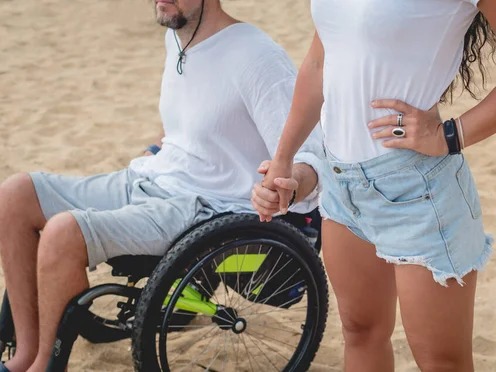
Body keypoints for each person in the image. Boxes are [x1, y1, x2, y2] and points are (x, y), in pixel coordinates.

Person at [0, 0, 323, 371]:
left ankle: (43, 364)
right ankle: (23, 355)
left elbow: (310, 157)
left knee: (62, 232)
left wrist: (287, 186)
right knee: (15, 194)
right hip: (152, 177)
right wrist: (157, 151)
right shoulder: (180, 38)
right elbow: (183, 125)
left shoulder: (256, 56)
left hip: (205, 205)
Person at [259, 0, 496, 371]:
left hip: (417, 191)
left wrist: (451, 134)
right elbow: (318, 64)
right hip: (342, 184)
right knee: (360, 332)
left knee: (441, 362)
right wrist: (283, 159)